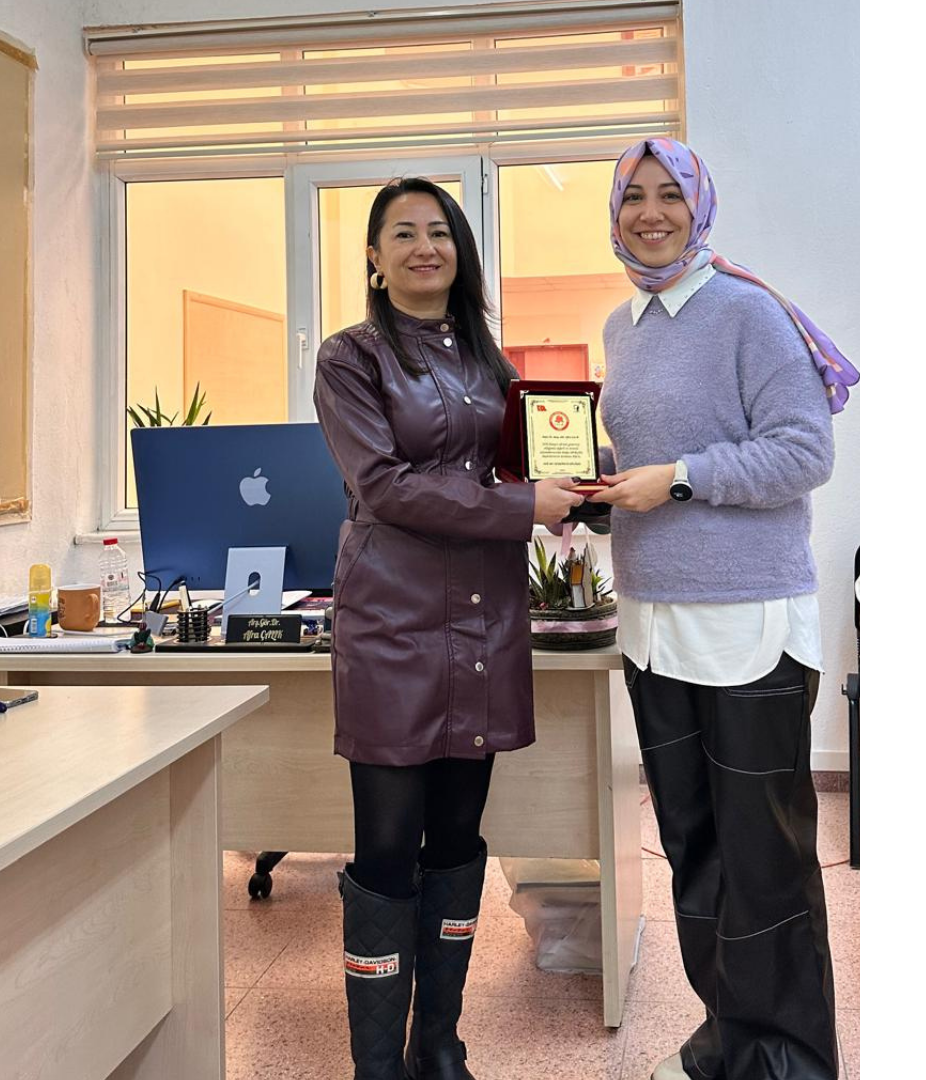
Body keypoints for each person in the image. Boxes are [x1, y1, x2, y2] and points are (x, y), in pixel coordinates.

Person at [588, 138, 858, 1080]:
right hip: (652, 622)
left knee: (765, 860)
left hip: (748, 620)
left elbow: (804, 454)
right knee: (694, 849)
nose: (651, 213)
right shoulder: (623, 325)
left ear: (700, 207)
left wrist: (681, 478)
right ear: (614, 213)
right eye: (634, 197)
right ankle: (730, 1039)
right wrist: (601, 490)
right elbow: (648, 465)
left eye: (670, 195)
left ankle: (790, 1060)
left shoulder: (748, 311)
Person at [313, 177, 584, 1080]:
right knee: (388, 847)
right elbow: (384, 487)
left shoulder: (486, 361)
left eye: (440, 231)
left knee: (460, 839)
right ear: (374, 257)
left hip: (484, 622)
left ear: (460, 250)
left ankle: (437, 1045)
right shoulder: (349, 358)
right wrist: (522, 508)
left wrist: (585, 482)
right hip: (392, 624)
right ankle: (377, 1066)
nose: (424, 246)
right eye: (403, 233)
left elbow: (521, 466)